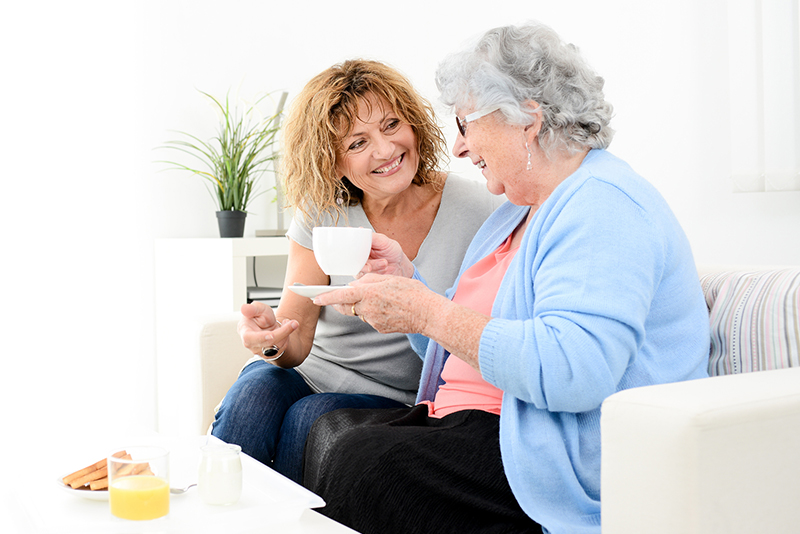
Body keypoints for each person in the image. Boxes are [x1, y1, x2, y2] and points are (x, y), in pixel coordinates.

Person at [309, 22, 711, 534]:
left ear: (526, 120)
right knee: (332, 438)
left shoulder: (602, 205)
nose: (457, 147)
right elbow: (465, 334)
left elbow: (574, 372)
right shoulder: (515, 211)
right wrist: (412, 289)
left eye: (465, 123)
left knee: (365, 465)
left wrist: (429, 311)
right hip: (482, 424)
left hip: (552, 454)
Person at [210, 59, 501, 484]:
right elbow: (295, 344)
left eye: (391, 124)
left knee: (309, 418)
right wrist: (270, 341)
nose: (384, 150)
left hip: (397, 395)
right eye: (357, 143)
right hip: (311, 371)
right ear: (332, 160)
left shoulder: (478, 209)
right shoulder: (322, 212)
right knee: (253, 396)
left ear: (415, 125)